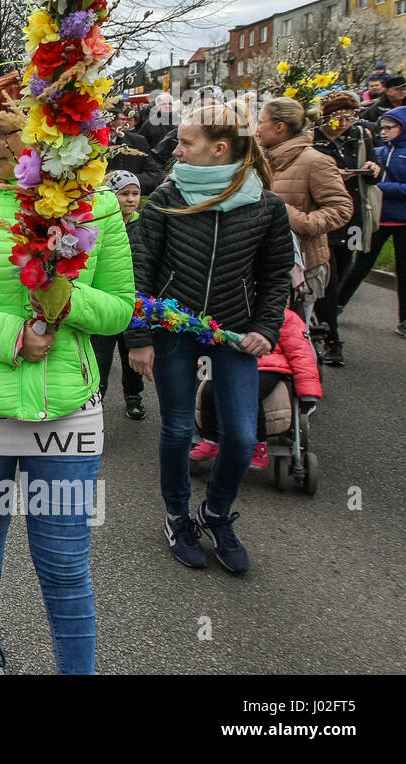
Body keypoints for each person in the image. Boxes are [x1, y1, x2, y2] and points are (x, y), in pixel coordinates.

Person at [0, 73, 135, 675]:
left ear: (47, 136)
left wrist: (68, 304)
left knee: (64, 562)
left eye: (8, 133)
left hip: (66, 411)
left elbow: (119, 308)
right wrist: (11, 338)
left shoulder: (102, 206)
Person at [126, 104, 293, 574]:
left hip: (236, 333)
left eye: (186, 143)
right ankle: (178, 515)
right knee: (178, 428)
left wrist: (265, 328)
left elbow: (276, 275)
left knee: (241, 437)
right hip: (173, 329)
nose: (175, 150)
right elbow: (139, 270)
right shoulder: (165, 197)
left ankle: (216, 514)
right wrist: (139, 335)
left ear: (219, 148)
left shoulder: (266, 206)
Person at [256, 97, 353, 322]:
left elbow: (341, 208)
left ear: (279, 127)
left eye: (261, 122)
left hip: (303, 268)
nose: (256, 128)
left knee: (295, 333)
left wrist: (297, 219)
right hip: (266, 265)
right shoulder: (263, 158)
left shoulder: (315, 161)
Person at [193, 305, 322, 470]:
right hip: (233, 363)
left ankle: (258, 447)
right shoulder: (235, 311)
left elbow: (301, 353)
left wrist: (307, 391)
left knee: (250, 393)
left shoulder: (286, 318)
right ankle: (211, 440)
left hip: (268, 367)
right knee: (210, 391)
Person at [309, 92, 379, 365]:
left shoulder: (360, 136)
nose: (346, 122)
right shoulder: (314, 138)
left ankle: (326, 315)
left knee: (344, 264)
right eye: (341, 117)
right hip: (325, 215)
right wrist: (331, 174)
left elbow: (375, 177)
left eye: (351, 117)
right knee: (329, 275)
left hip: (353, 215)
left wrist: (373, 169)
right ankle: (331, 338)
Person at [337, 105, 406, 337]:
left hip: (403, 220)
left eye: (390, 128)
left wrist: (380, 186)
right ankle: (336, 305)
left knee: (403, 270)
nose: (383, 132)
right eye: (382, 127)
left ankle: (404, 320)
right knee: (361, 265)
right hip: (378, 218)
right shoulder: (379, 151)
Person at [90, 171, 144, 419]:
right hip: (104, 300)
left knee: (129, 354)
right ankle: (96, 395)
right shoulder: (98, 223)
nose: (131, 199)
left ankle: (133, 395)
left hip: (133, 301)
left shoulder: (142, 226)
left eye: (135, 193)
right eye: (124, 194)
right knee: (100, 355)